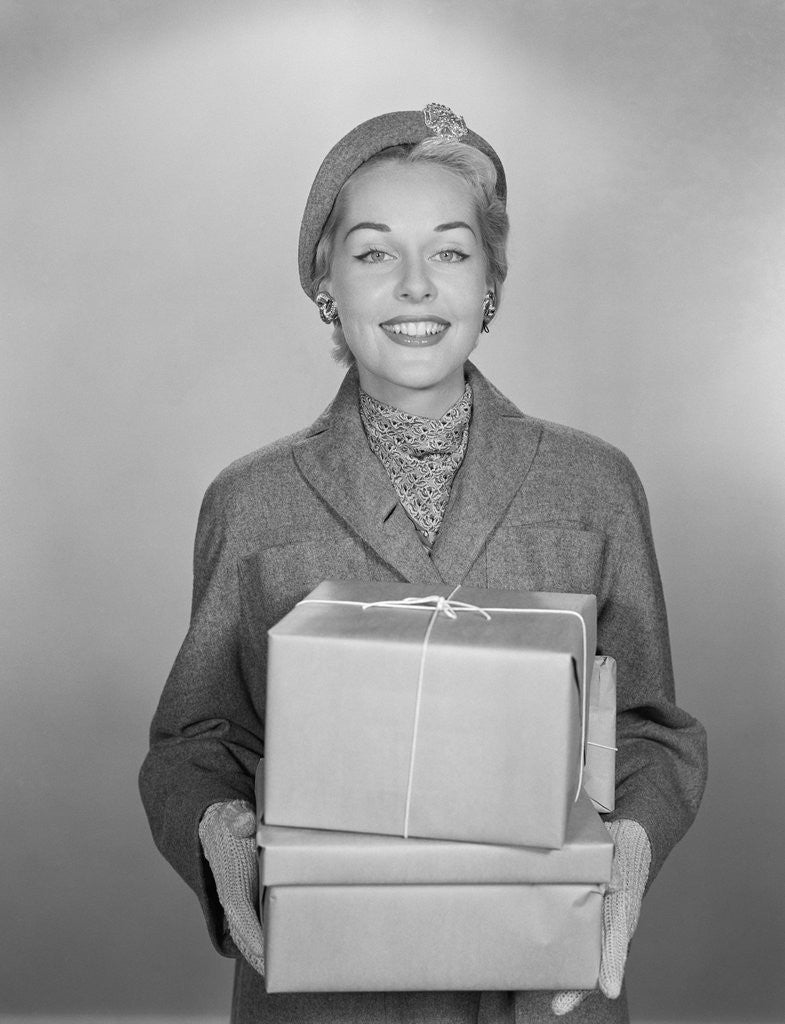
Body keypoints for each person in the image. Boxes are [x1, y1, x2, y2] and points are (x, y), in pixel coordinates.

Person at [139, 103, 707, 1024]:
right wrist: (218, 833)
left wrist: (630, 848)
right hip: (327, 988)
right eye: (371, 253)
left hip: (542, 983)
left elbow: (647, 727)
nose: (413, 286)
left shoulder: (593, 484)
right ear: (327, 285)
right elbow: (196, 742)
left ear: (490, 284)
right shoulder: (249, 500)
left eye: (448, 251)